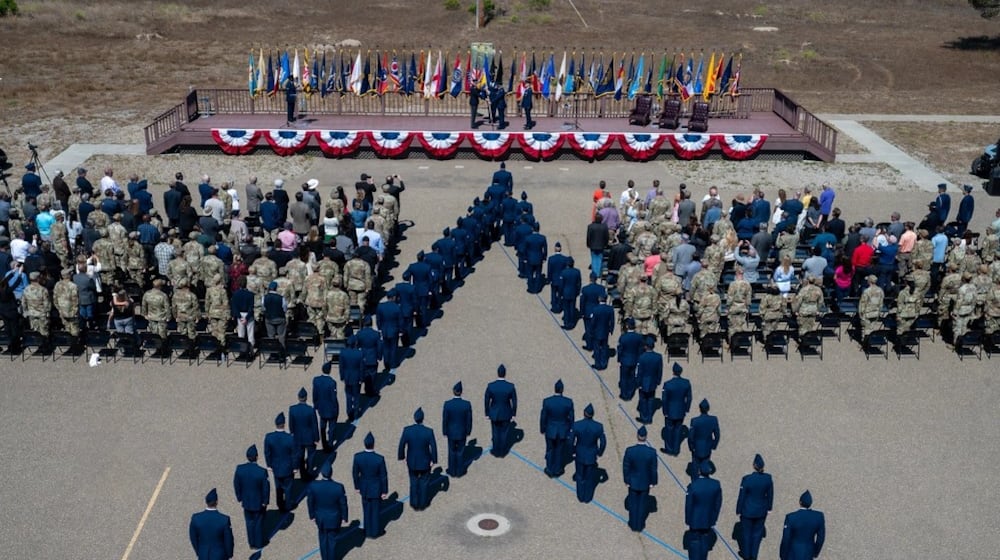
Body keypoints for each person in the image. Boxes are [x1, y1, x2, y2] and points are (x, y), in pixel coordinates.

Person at [397, 407, 438, 511]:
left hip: (412, 461)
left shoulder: (407, 430)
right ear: (423, 418)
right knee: (424, 483)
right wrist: (433, 460)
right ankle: (423, 503)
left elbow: (401, 445)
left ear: (414, 418)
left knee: (413, 481)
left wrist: (402, 457)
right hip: (425, 461)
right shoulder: (429, 431)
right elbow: (433, 446)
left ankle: (414, 503)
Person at [306, 461, 349, 560]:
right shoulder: (338, 487)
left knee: (322, 539)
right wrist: (344, 517)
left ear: (321, 473)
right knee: (332, 540)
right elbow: (343, 504)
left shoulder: (313, 486)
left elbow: (310, 502)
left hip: (320, 517)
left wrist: (311, 515)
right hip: (334, 518)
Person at [736, 454, 773, 560]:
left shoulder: (747, 479)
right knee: (757, 534)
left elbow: (741, 496)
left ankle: (747, 556)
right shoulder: (768, 478)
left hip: (747, 510)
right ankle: (753, 556)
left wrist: (738, 509)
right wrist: (769, 508)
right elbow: (770, 494)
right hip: (761, 510)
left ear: (754, 465)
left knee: (747, 534)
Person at [233, 444, 270, 550]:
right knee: (258, 523)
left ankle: (251, 542)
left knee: (249, 523)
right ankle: (258, 543)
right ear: (257, 457)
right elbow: (265, 488)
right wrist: (265, 501)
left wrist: (239, 497)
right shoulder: (261, 472)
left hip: (246, 501)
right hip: (258, 501)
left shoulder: (240, 469)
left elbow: (236, 484)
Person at [352, 431, 388, 539]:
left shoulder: (358, 457)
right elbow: (383, 476)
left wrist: (357, 486)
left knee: (366, 509)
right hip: (376, 487)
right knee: (376, 510)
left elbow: (355, 473)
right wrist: (384, 490)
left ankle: (367, 530)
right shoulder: (379, 458)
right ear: (374, 444)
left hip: (364, 487)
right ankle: (375, 531)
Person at [684, 462, 723, 560]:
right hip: (708, 518)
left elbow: (689, 505)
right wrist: (714, 518)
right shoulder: (716, 485)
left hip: (695, 519)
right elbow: (718, 504)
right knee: (705, 540)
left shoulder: (693, 486)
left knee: (694, 542)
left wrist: (688, 520)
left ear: (699, 471)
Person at [622, 426, 657, 532]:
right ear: (646, 437)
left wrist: (626, 480)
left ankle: (633, 524)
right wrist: (653, 481)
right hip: (645, 481)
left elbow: (626, 467)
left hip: (633, 481)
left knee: (633, 504)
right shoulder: (651, 452)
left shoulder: (630, 451)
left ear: (637, 436)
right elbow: (653, 469)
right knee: (642, 505)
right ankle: (640, 524)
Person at [571, 403, 606, 503]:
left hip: (580, 454)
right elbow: (603, 442)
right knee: (589, 477)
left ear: (584, 413)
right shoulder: (598, 427)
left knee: (579, 475)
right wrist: (599, 452)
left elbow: (571, 440)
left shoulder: (577, 425)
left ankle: (580, 496)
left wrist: (573, 451)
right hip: (591, 454)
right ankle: (587, 497)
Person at [539, 379, 574, 477]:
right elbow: (571, 418)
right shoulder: (568, 402)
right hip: (562, 430)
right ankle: (558, 469)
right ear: (562, 389)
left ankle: (550, 469)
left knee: (550, 449)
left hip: (550, 429)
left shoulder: (547, 401)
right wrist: (571, 430)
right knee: (559, 450)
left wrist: (542, 428)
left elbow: (543, 417)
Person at [189, 488, 235, 560]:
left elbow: (193, 538)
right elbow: (228, 540)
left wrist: (199, 551)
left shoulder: (196, 518)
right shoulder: (224, 520)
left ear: (206, 502)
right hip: (220, 555)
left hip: (203, 554)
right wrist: (229, 554)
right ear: (216, 502)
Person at [264, 412, 296, 512]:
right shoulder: (290, 438)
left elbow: (267, 452)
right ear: (284, 424)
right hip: (288, 466)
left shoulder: (269, 437)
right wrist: (295, 467)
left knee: (278, 486)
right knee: (288, 487)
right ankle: (288, 505)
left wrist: (269, 464)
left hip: (276, 466)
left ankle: (280, 504)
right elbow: (294, 454)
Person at [780, 491, 826, 560]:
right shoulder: (819, 516)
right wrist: (815, 552)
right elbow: (821, 538)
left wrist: (783, 554)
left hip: (792, 552)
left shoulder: (791, 517)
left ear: (800, 502)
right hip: (808, 552)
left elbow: (786, 538)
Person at [485, 363, 517, 457]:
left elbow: (486, 400)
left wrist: (487, 412)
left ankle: (496, 450)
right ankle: (502, 451)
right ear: (505, 374)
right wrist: (514, 413)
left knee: (495, 432)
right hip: (506, 412)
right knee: (504, 433)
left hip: (494, 412)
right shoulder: (510, 386)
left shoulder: (491, 386)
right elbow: (514, 401)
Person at [442, 381, 473, 477]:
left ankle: (452, 471)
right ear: (461, 392)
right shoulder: (466, 404)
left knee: (451, 451)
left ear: (453, 391)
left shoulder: (447, 404)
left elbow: (445, 419)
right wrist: (468, 431)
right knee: (460, 452)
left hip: (451, 432)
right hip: (462, 431)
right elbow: (469, 419)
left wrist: (444, 431)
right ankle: (459, 471)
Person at [660, 361, 692, 455]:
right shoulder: (686, 383)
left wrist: (665, 411)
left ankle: (669, 449)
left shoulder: (668, 384)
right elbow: (689, 398)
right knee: (678, 430)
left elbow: (664, 399)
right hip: (681, 410)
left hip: (670, 410)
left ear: (673, 372)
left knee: (669, 429)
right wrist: (686, 409)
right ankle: (676, 449)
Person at [289, 387, 320, 481]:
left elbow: (291, 424)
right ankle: (309, 472)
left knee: (300, 456)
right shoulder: (310, 410)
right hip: (309, 436)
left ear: (298, 397)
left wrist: (292, 433)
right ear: (306, 398)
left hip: (298, 436)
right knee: (311, 455)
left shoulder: (292, 409)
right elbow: (314, 425)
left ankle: (303, 475)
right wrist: (316, 438)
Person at [688, 398, 720, 476]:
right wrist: (714, 445)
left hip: (697, 446)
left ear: (700, 409)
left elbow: (690, 436)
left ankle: (695, 482)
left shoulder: (695, 421)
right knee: (705, 465)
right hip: (707, 446)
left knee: (695, 466)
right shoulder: (713, 420)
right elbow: (717, 435)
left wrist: (691, 447)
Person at [635, 337, 663, 425]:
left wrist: (638, 383)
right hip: (653, 382)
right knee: (651, 400)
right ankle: (650, 417)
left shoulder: (642, 357)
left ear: (646, 346)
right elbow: (660, 370)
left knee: (643, 400)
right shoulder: (658, 357)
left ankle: (644, 417)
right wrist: (658, 381)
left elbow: (639, 372)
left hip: (643, 382)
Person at [312, 366, 340, 452]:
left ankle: (324, 445)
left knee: (322, 427)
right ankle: (330, 444)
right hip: (331, 408)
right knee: (331, 427)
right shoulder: (332, 383)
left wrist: (316, 405)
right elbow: (333, 398)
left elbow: (314, 394)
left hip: (322, 407)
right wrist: (336, 409)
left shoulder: (316, 380)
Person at [616, 318, 643, 400]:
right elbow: (640, 349)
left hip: (625, 360)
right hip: (634, 360)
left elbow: (620, 350)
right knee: (632, 377)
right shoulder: (639, 337)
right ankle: (630, 393)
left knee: (624, 378)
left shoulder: (623, 337)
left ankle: (624, 394)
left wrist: (619, 359)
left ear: (627, 326)